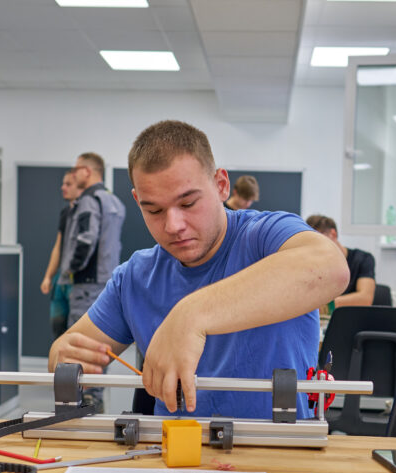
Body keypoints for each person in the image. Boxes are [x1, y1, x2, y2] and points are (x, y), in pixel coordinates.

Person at [49, 121, 349, 419]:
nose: (173, 225)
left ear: (221, 185)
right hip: (173, 445)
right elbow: (66, 353)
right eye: (154, 210)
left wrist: (191, 314)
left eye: (188, 203)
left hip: (277, 444)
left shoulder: (264, 237)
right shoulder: (134, 277)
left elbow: (331, 267)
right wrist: (61, 355)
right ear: (138, 201)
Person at [58, 152, 126, 411]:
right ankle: (94, 396)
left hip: (86, 284)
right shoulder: (114, 201)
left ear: (87, 171)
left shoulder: (88, 200)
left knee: (79, 344)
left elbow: (86, 239)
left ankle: (83, 400)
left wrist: (71, 270)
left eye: (76, 169)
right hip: (105, 280)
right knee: (99, 344)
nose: (74, 174)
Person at [40, 170, 82, 339]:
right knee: (58, 327)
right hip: (61, 279)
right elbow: (58, 246)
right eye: (63, 183)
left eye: (68, 184)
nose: (63, 187)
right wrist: (48, 276)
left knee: (77, 331)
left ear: (80, 186)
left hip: (78, 281)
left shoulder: (88, 213)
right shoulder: (66, 213)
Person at [306, 214, 376, 307]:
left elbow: (365, 299)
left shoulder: (363, 259)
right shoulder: (313, 264)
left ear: (333, 234)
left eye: (318, 242)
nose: (315, 249)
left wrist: (325, 306)